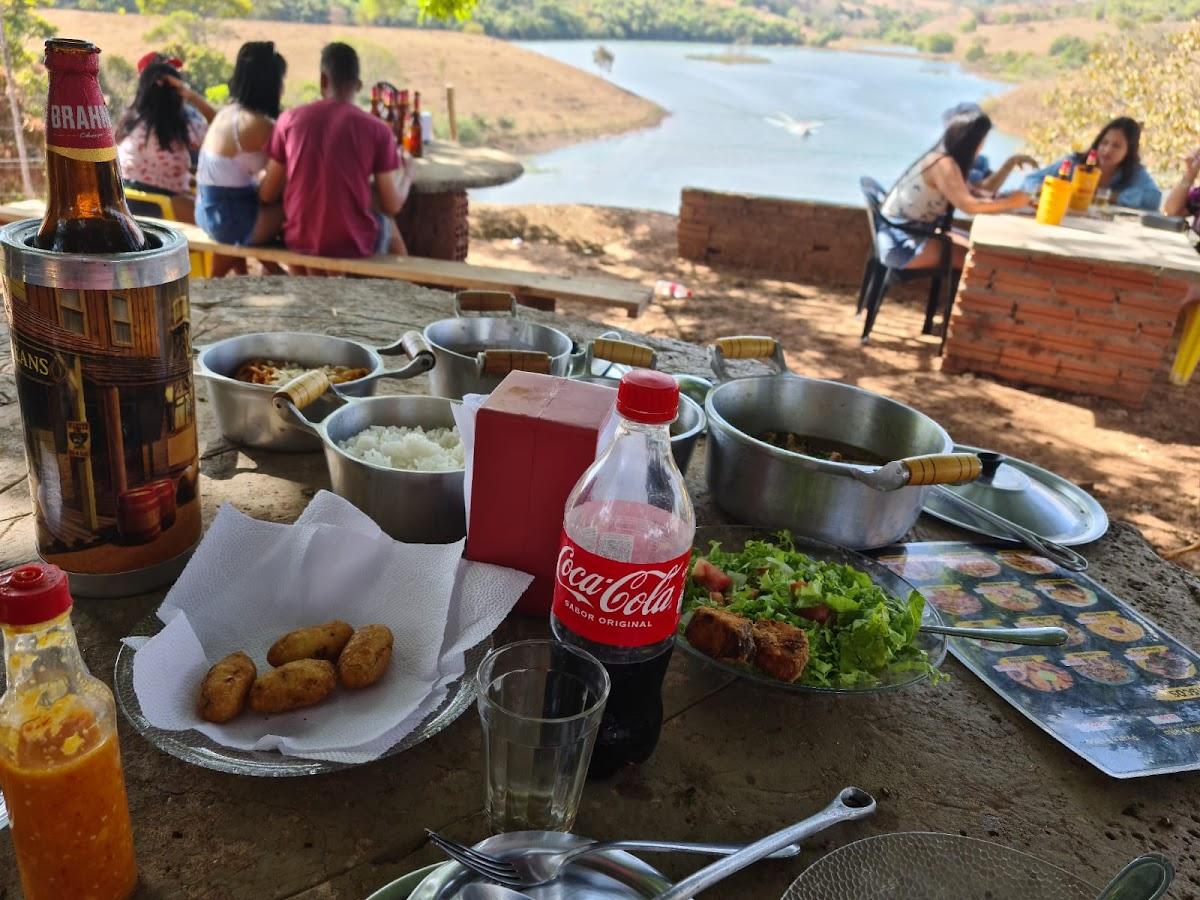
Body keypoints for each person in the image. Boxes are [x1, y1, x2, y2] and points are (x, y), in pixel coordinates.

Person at [258, 42, 413, 262]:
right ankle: (407, 290)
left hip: (298, 239)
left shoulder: (289, 120)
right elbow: (392, 205)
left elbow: (267, 193)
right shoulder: (378, 130)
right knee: (389, 225)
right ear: (359, 85)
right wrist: (408, 174)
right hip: (353, 245)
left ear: (323, 80)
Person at [878, 109, 1031, 271]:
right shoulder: (943, 165)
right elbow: (969, 206)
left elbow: (979, 191)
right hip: (902, 243)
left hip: (909, 234)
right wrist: (1012, 203)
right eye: (983, 139)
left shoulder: (946, 160)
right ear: (973, 141)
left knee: (984, 251)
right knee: (985, 262)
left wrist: (1009, 165)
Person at [195, 42, 288, 276]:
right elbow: (269, 194)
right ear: (273, 84)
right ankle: (294, 279)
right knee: (297, 208)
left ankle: (263, 276)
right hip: (229, 221)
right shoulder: (260, 125)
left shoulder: (228, 113)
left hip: (206, 211)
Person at [115, 60, 214, 222]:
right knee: (215, 219)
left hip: (127, 200)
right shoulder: (183, 126)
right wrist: (192, 96)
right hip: (164, 203)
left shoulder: (130, 122)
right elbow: (219, 125)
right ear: (178, 93)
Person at [1022, 117, 1162, 211]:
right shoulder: (1075, 162)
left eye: (1116, 146)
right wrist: (1047, 188)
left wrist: (1112, 196)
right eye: (1104, 143)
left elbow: (1154, 199)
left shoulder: (1134, 172)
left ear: (1129, 151)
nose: (1107, 150)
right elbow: (1030, 180)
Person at [942, 101, 1038, 193]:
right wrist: (1010, 163)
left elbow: (991, 185)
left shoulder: (980, 161)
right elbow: (983, 190)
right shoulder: (946, 164)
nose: (982, 140)